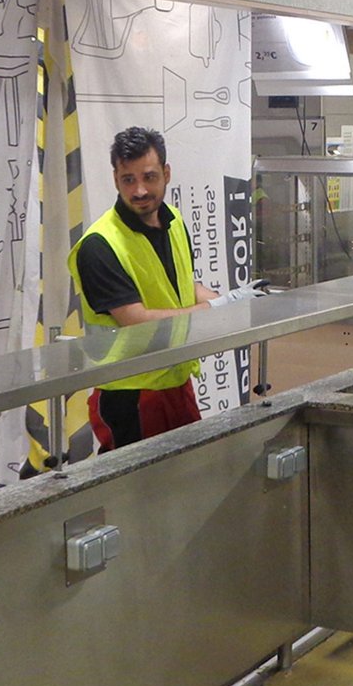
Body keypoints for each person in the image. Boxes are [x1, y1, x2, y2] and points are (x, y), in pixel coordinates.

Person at [69, 126, 267, 452]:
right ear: (115, 179)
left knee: (189, 480)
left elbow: (183, 287)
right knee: (136, 495)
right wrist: (216, 310)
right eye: (128, 179)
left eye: (149, 177)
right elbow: (136, 320)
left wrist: (235, 303)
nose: (140, 190)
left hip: (175, 382)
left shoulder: (172, 219)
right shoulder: (99, 245)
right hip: (130, 394)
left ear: (166, 173)